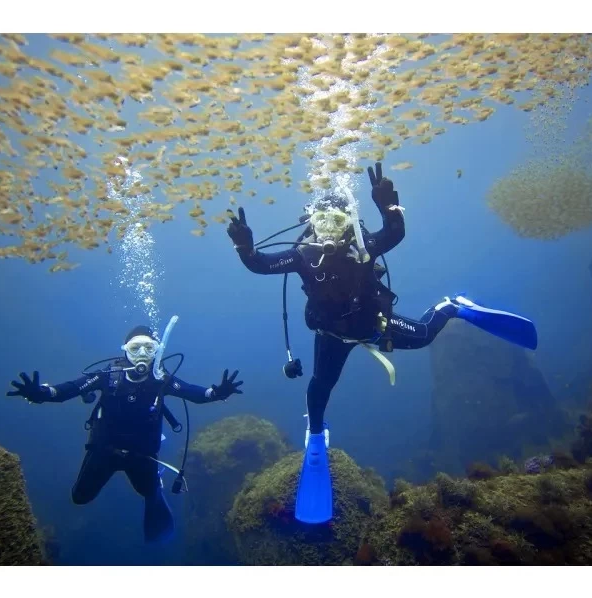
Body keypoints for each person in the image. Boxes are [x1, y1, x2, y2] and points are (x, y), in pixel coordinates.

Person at [226, 162, 537, 524]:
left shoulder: (364, 246)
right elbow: (262, 265)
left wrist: (388, 205)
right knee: (319, 386)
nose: (330, 229)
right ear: (311, 222)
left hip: (374, 324)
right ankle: (315, 439)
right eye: (322, 221)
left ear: (350, 221)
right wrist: (245, 248)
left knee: (423, 336)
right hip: (332, 336)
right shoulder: (302, 255)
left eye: (338, 221)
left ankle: (453, 306)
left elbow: (394, 231)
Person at [6, 323, 244, 543]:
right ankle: (151, 485)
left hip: (142, 456)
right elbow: (70, 389)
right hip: (103, 451)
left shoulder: (161, 380)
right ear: (125, 351)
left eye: (149, 348)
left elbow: (194, 393)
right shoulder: (108, 376)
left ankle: (155, 486)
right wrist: (41, 393)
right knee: (80, 498)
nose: (142, 353)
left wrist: (217, 392)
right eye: (135, 347)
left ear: (157, 351)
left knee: (148, 493)